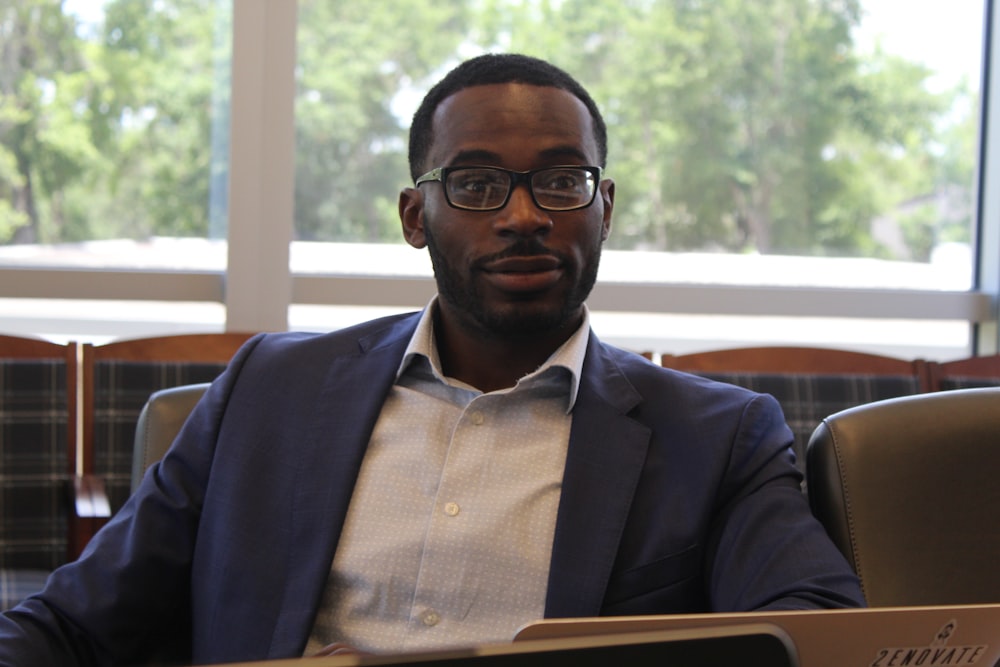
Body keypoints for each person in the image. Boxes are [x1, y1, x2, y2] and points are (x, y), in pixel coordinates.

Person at [0, 53, 864, 666]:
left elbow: (817, 629)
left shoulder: (715, 435)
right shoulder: (269, 390)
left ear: (604, 208)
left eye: (561, 182)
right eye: (477, 184)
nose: (524, 215)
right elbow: (71, 622)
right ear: (416, 217)